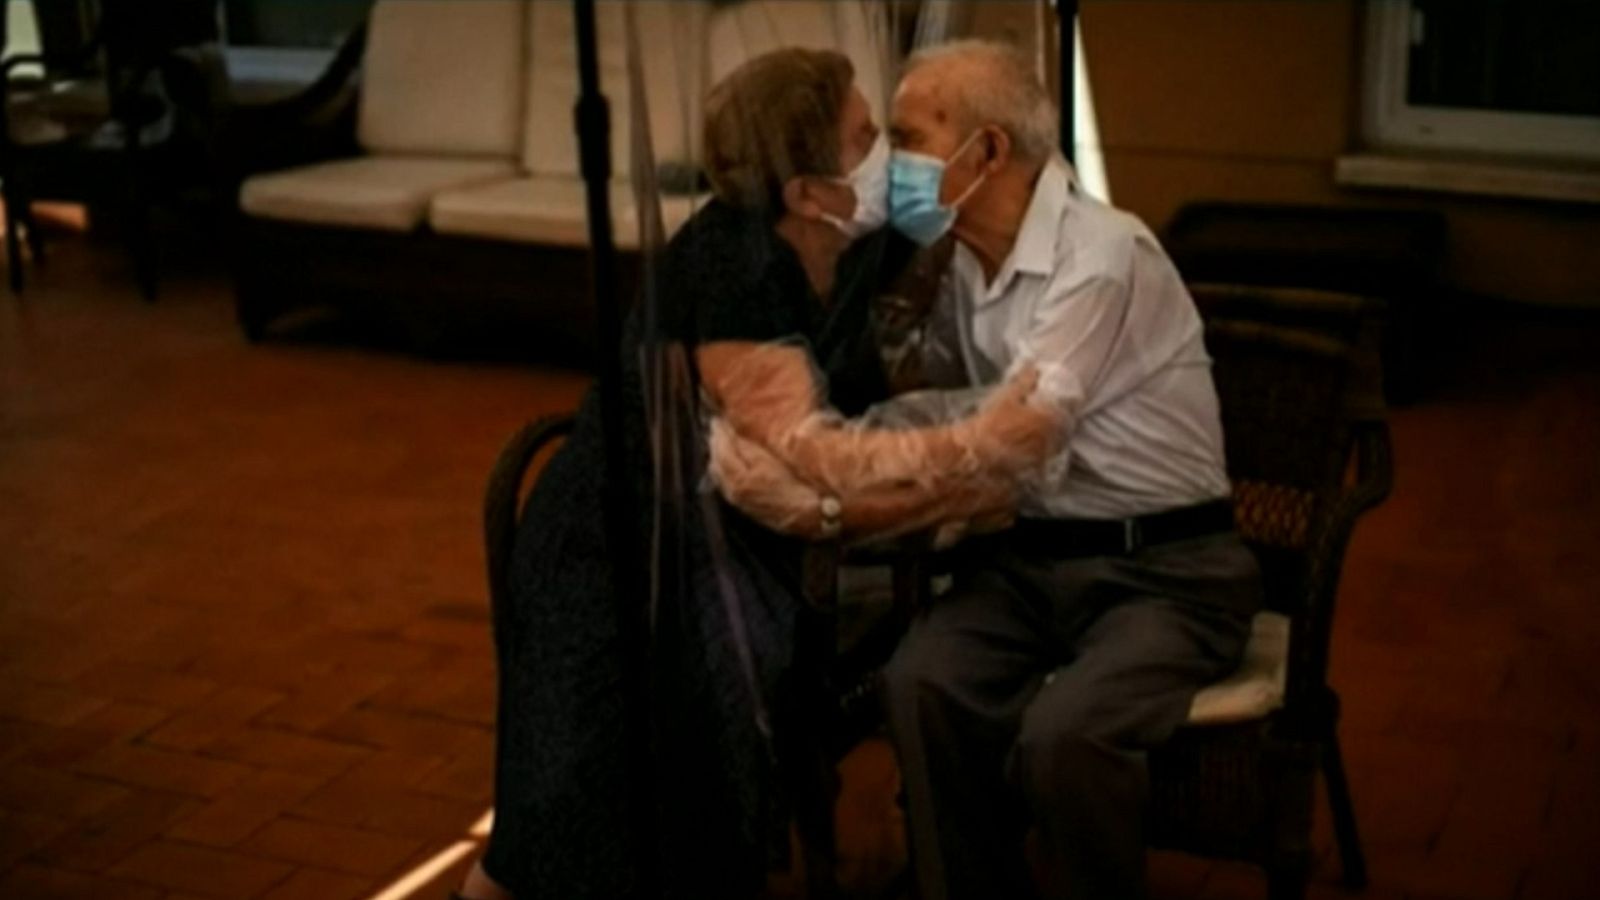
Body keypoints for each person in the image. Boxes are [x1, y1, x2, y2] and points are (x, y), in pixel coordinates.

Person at [458, 47, 1059, 900]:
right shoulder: (735, 274)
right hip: (627, 553)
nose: (890, 152)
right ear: (807, 193)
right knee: (607, 797)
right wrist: (985, 450)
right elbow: (819, 460)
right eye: (867, 137)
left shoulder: (841, 236)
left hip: (730, 534)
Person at [874, 40, 1264, 900]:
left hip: (1168, 575)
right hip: (1030, 562)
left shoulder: (1102, 252)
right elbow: (917, 390)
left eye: (907, 140)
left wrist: (863, 487)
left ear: (986, 153)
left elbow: (1019, 433)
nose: (888, 165)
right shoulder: (955, 260)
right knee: (919, 684)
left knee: (1065, 737)